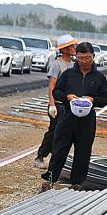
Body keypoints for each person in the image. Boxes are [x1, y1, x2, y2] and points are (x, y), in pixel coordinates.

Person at [40, 42, 107, 187]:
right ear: (76, 57)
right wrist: (67, 97)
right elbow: (56, 92)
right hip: (67, 117)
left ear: (93, 57)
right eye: (81, 58)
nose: (84, 61)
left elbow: (105, 99)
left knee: (83, 152)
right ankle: (50, 179)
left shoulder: (99, 77)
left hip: (87, 119)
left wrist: (93, 100)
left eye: (88, 58)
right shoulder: (68, 75)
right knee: (59, 149)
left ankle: (76, 183)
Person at [34, 34, 77, 167]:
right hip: (57, 105)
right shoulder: (57, 64)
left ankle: (55, 158)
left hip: (68, 105)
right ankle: (40, 157)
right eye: (72, 46)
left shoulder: (74, 65)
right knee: (53, 132)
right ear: (64, 49)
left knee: (64, 134)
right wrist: (52, 104)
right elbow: (52, 85)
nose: (74, 48)